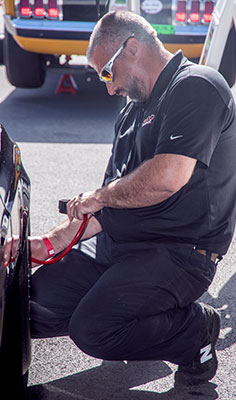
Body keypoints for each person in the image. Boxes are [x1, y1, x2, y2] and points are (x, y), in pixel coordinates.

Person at [29, 10, 236, 386]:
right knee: (28, 306)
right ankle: (144, 323)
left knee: (93, 329)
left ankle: (194, 330)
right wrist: (46, 243)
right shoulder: (129, 114)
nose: (108, 87)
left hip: (180, 252)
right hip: (120, 242)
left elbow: (167, 177)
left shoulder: (198, 86)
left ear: (132, 48)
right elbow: (107, 203)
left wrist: (99, 196)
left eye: (107, 73)